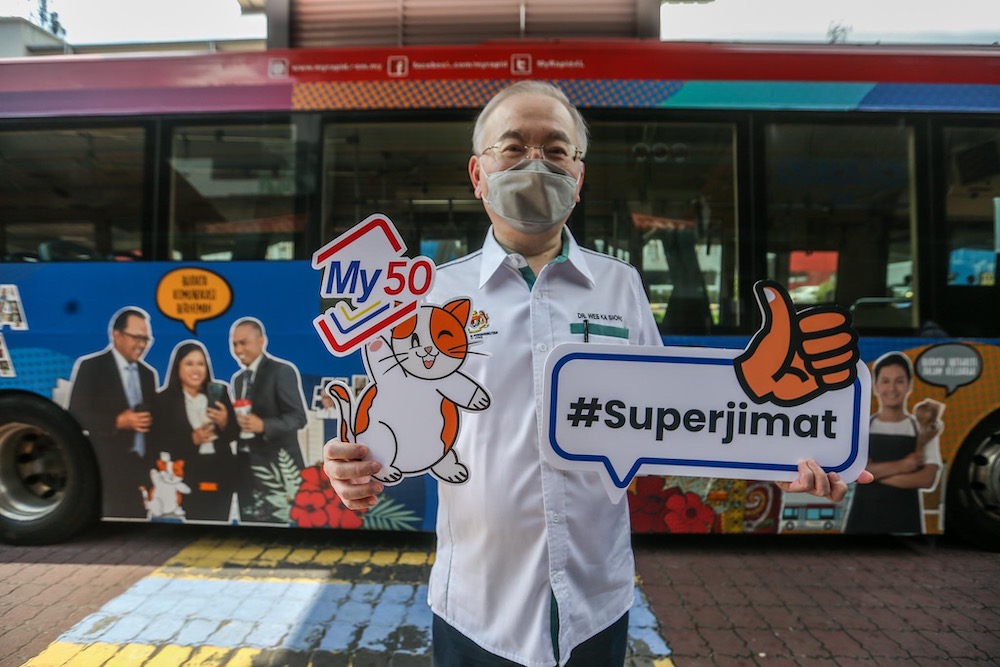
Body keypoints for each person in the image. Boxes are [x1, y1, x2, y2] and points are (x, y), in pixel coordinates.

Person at [323, 81, 869, 667]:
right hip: (475, 610)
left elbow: (676, 423)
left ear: (579, 178)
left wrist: (781, 455)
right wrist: (353, 470)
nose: (535, 163)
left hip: (594, 603)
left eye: (556, 150)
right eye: (512, 148)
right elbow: (393, 427)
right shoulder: (428, 296)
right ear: (478, 174)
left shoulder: (621, 286)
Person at [68, 307, 157, 518]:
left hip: (142, 467)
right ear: (116, 335)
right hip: (108, 466)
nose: (142, 345)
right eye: (137, 337)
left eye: (146, 339)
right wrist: (118, 421)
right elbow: (76, 414)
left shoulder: (148, 374)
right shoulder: (91, 367)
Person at [845, 352, 943, 534]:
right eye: (885, 381)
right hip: (861, 520)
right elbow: (854, 471)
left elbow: (927, 479)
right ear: (875, 386)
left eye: (899, 381)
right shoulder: (860, 427)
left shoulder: (923, 427)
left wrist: (875, 474)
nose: (892, 388)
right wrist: (905, 465)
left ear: (909, 386)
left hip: (906, 521)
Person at [229, 317, 308, 521]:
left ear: (261, 341)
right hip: (246, 470)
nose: (238, 349)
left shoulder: (282, 371)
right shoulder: (238, 380)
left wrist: (263, 425)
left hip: (279, 470)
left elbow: (298, 418)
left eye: (243, 342)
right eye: (234, 344)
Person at [150, 341, 238, 522]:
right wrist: (192, 438)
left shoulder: (219, 392)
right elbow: (159, 440)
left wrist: (225, 422)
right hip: (187, 474)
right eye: (189, 364)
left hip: (220, 470)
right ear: (178, 367)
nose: (196, 369)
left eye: (200, 363)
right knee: (196, 522)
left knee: (220, 521)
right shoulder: (163, 399)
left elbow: (234, 434)